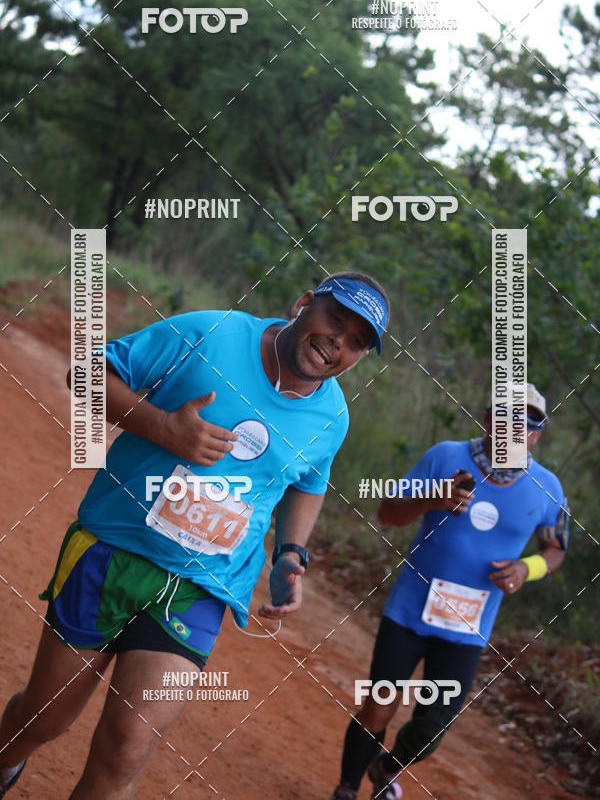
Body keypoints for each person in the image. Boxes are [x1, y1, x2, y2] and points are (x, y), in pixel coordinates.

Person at [0, 271, 390, 799]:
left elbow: (308, 482)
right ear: (303, 304)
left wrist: (290, 552)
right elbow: (88, 376)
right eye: (334, 319)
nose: (339, 341)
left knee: (127, 747)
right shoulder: (213, 333)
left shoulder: (332, 416)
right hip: (111, 552)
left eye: (358, 340)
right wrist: (161, 428)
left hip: (200, 590)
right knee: (44, 719)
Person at [330, 383, 569, 800]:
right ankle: (347, 790)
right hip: (409, 610)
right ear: (487, 418)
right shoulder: (445, 457)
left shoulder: (547, 488)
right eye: (506, 417)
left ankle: (386, 768)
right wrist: (432, 499)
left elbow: (555, 549)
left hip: (468, 627)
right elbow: (387, 513)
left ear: (537, 434)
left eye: (528, 423)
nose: (515, 429)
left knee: (432, 727)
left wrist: (526, 569)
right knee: (378, 705)